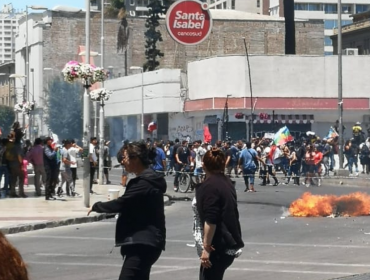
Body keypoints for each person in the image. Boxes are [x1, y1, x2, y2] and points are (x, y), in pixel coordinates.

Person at [88, 141, 166, 280]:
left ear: (135, 158)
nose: (122, 161)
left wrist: (97, 206)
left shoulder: (143, 183)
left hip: (143, 243)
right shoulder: (148, 180)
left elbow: (121, 203)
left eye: (125, 157)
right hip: (146, 241)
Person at [195, 148, 244, 280]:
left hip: (217, 246)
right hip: (226, 244)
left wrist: (206, 248)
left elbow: (211, 219)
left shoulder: (210, 186)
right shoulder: (225, 182)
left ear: (203, 164)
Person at [6, 132, 26, 198]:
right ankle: (21, 192)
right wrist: (21, 164)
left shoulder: (10, 145)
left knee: (13, 179)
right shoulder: (17, 146)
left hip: (11, 164)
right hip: (17, 164)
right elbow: (19, 155)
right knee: (21, 177)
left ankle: (12, 192)